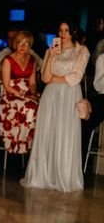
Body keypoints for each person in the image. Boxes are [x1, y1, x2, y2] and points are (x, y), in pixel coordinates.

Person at [21, 21, 90, 192]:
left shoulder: (82, 50)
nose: (63, 33)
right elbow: (44, 78)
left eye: (67, 30)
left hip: (69, 95)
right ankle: (43, 175)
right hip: (50, 96)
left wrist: (55, 79)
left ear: (73, 32)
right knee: (48, 132)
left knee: (65, 133)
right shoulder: (50, 50)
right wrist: (51, 56)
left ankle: (65, 177)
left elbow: (77, 77)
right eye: (60, 30)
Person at [0, 31, 40, 154]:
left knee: (43, 105)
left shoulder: (32, 60)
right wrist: (21, 94)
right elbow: (6, 85)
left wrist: (32, 92)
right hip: (10, 95)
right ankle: (20, 143)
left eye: (26, 44)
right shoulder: (7, 60)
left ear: (30, 46)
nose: (23, 46)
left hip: (26, 94)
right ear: (15, 44)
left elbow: (32, 83)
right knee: (29, 107)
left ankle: (35, 144)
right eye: (20, 43)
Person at [82, 51, 104, 166]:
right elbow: (97, 86)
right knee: (85, 121)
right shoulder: (102, 58)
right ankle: (78, 167)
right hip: (103, 96)